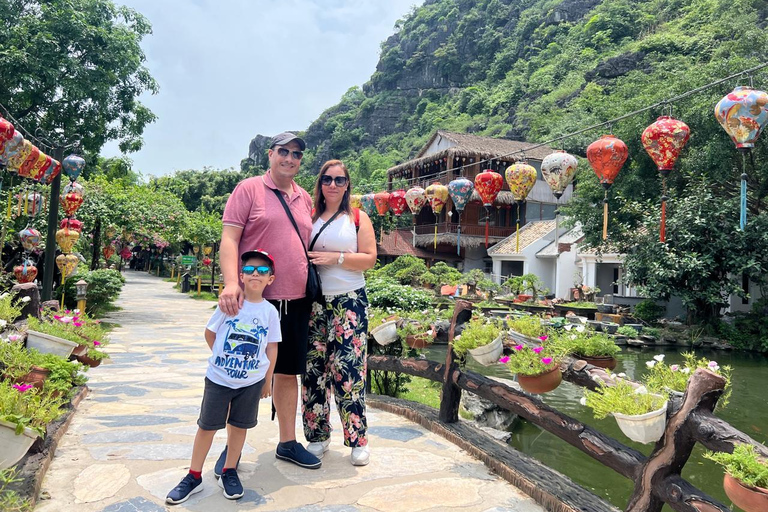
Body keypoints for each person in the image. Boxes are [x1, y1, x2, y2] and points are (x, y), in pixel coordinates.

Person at [218, 132, 322, 469]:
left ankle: (288, 442)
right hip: (255, 301)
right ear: (270, 154)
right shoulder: (248, 189)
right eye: (283, 152)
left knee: (288, 373)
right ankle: (230, 450)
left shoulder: (305, 198)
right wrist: (232, 282)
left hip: (297, 300)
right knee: (242, 372)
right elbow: (230, 239)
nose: (289, 158)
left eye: (296, 154)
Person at [166, 249, 281, 504]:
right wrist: (222, 359)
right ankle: (193, 475)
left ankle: (229, 470)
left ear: (270, 279)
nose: (255, 274)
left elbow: (272, 345)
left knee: (240, 426)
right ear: (241, 275)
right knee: (207, 426)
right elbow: (210, 333)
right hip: (219, 380)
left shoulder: (270, 312)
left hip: (251, 383)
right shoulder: (231, 304)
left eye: (262, 271)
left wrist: (267, 378)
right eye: (250, 269)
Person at [302, 160, 377, 466]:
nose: (333, 185)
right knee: (314, 372)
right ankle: (317, 437)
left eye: (340, 180)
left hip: (350, 301)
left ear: (348, 185)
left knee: (349, 372)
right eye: (328, 179)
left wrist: (337, 258)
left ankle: (357, 440)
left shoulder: (357, 218)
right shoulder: (308, 218)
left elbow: (370, 259)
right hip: (314, 301)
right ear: (320, 183)